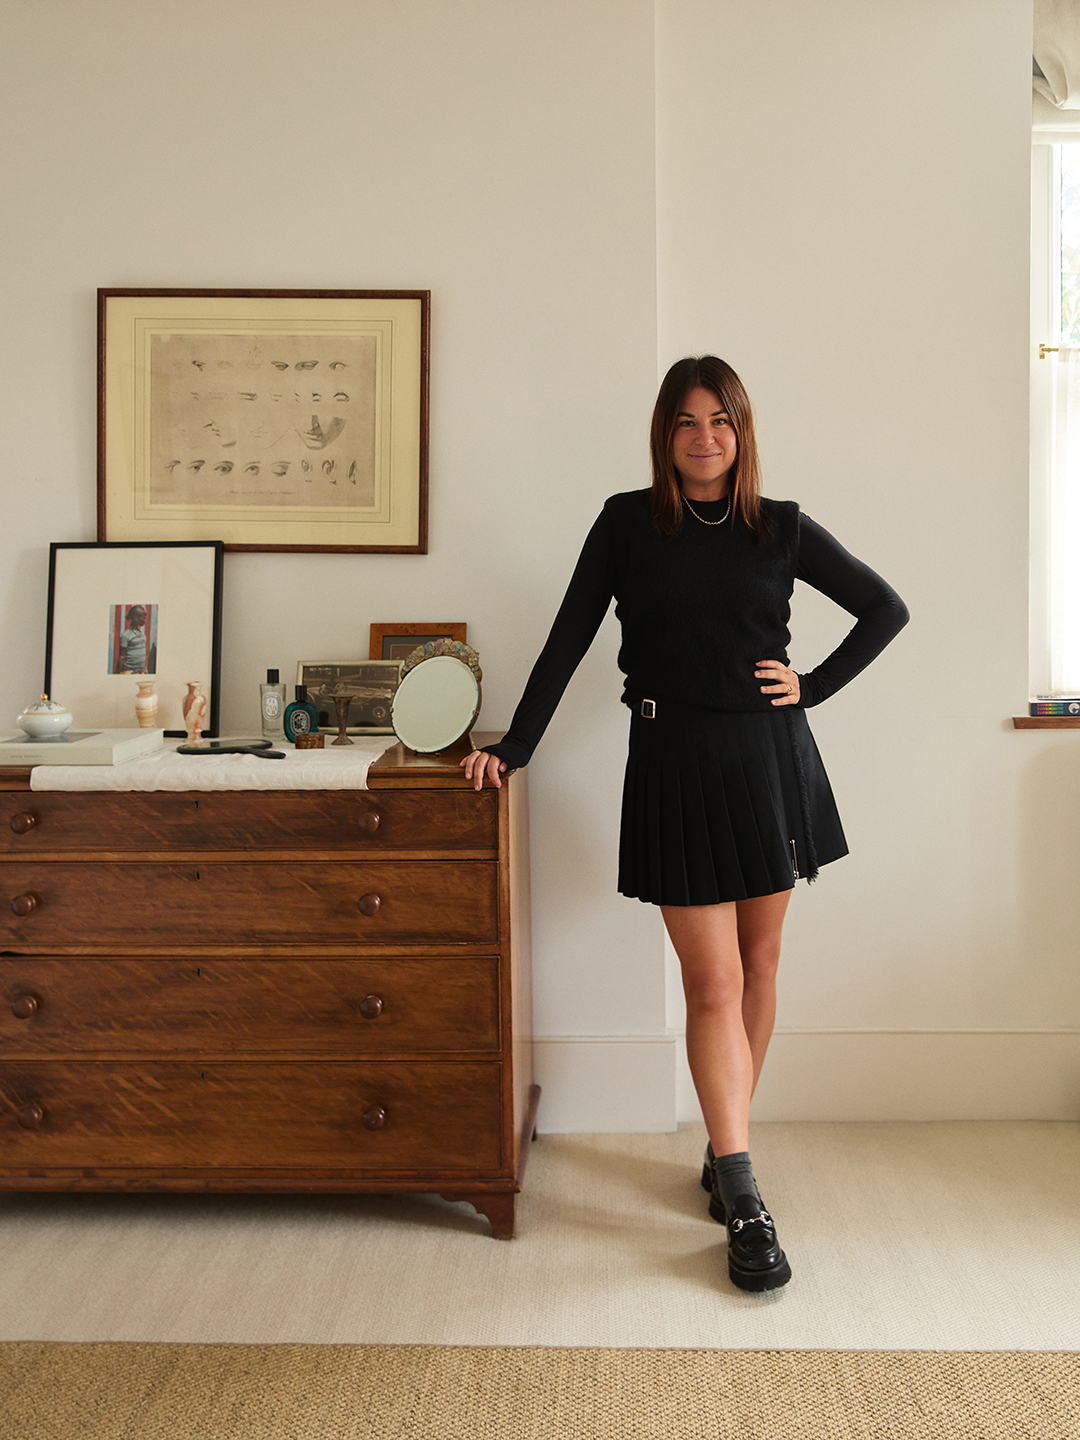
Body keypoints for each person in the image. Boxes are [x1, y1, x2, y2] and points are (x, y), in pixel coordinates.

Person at [462, 355, 908, 1292]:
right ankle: (744, 1197)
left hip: (768, 763)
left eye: (722, 420)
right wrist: (516, 748)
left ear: (742, 432)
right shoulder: (629, 523)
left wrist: (812, 687)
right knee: (710, 984)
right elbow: (569, 637)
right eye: (687, 421)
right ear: (664, 434)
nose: (705, 437)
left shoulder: (779, 528)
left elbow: (883, 608)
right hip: (672, 763)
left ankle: (722, 1141)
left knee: (759, 966)